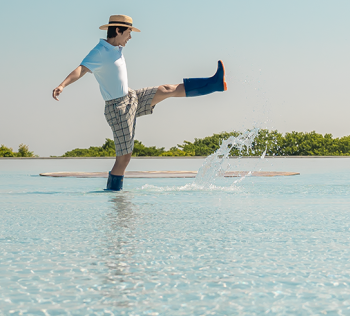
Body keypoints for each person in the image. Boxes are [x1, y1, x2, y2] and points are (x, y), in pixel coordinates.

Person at [52, 14, 226, 190]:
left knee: (167, 89)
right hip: (118, 108)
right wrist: (62, 85)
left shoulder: (116, 48)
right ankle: (114, 197)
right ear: (118, 30)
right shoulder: (100, 52)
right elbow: (81, 69)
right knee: (124, 158)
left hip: (131, 97)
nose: (130, 37)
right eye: (128, 32)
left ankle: (214, 84)